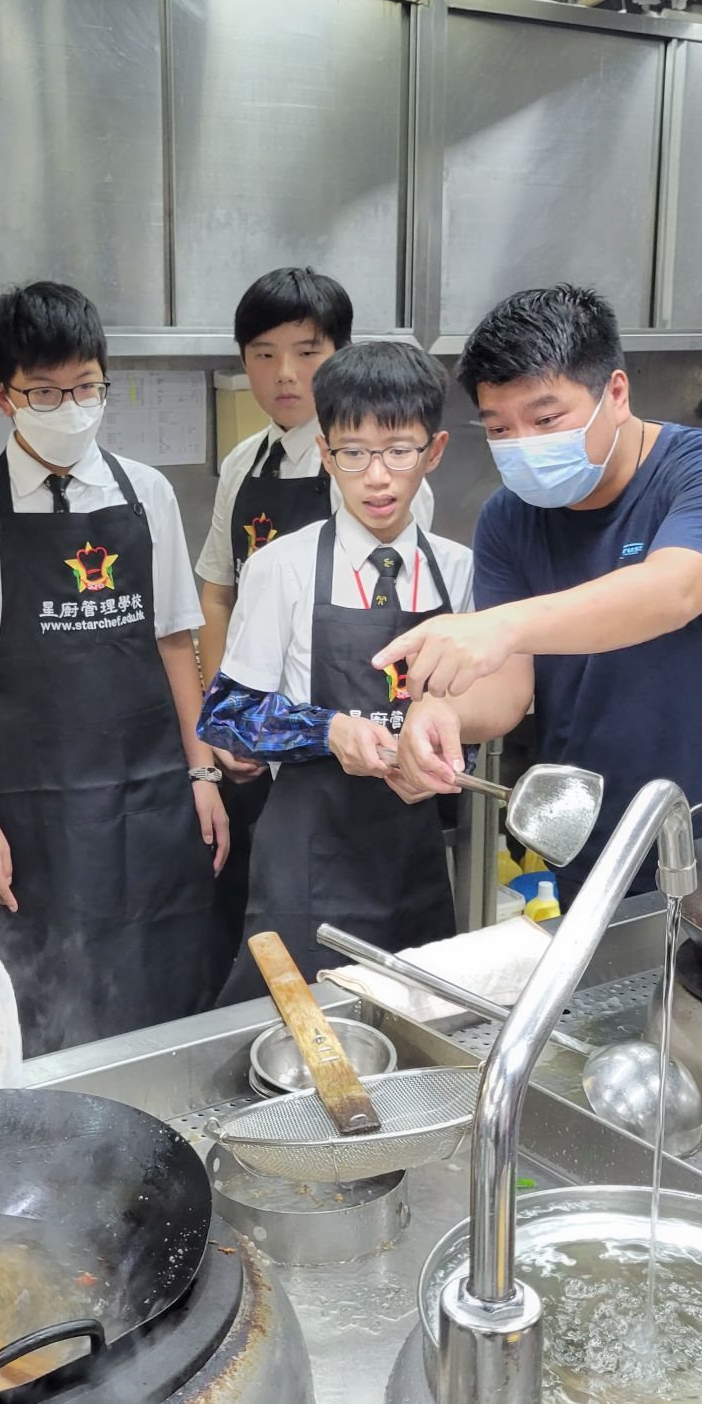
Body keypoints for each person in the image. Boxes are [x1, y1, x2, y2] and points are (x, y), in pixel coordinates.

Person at [382, 284, 702, 895]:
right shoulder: (509, 518)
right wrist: (445, 713)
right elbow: (507, 687)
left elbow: (672, 591)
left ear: (616, 394)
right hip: (593, 846)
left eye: (546, 419)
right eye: (499, 428)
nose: (524, 444)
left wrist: (502, 625)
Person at [0, 281, 226, 1054]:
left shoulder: (148, 493)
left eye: (86, 387)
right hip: (32, 819)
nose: (71, 408)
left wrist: (203, 773)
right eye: (46, 392)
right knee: (42, 1008)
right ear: (2, 396)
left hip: (150, 805)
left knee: (163, 990)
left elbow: (176, 643)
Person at [201, 342, 468, 1001]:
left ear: (434, 451)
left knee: (416, 1022)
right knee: (296, 1027)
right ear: (325, 453)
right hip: (307, 861)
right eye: (354, 453)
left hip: (413, 857)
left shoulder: (458, 570)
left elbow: (481, 703)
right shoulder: (282, 567)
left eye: (399, 451)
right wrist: (327, 731)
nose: (376, 477)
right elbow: (228, 715)